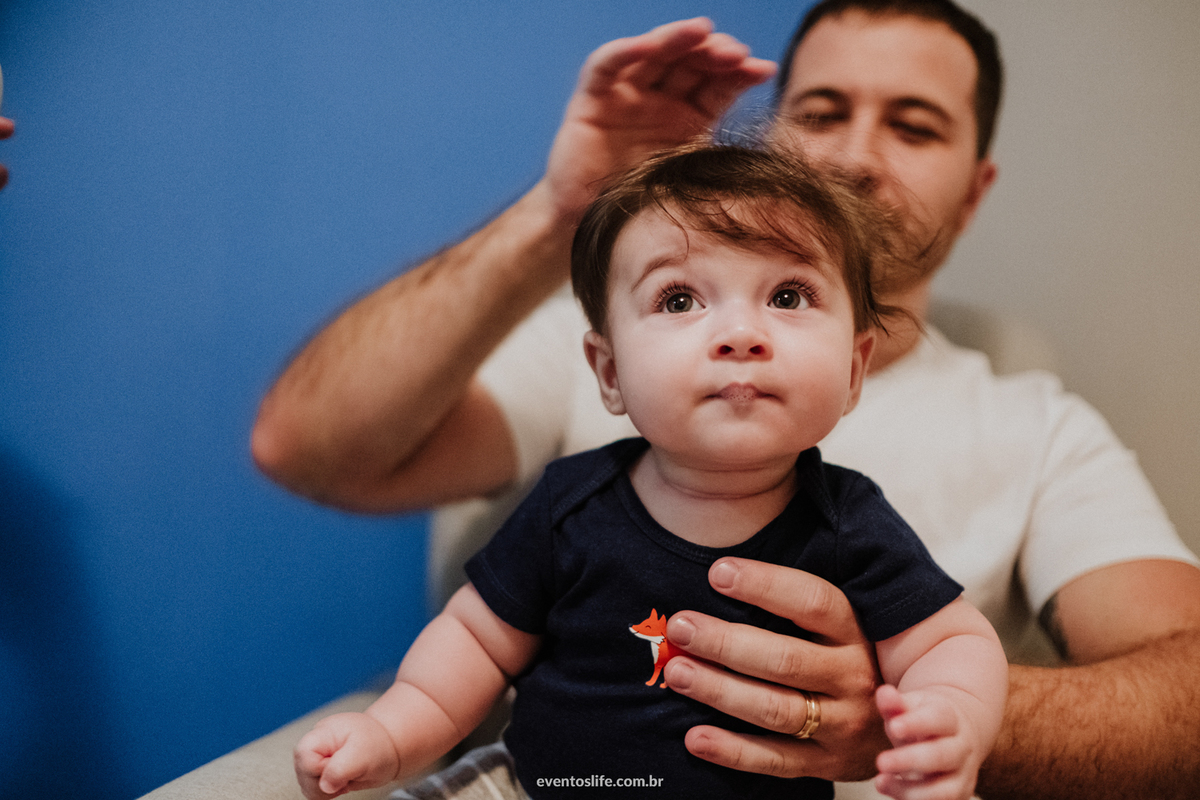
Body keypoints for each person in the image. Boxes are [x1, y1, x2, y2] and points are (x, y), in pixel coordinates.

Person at [254, 2, 1200, 798]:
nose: (858, 158)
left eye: (914, 125)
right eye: (823, 110)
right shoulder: (584, 459)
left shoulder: (990, 449)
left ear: (975, 189)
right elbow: (339, 487)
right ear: (608, 372)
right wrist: (389, 735)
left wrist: (936, 716)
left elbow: (970, 646)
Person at [293, 143, 1008, 800]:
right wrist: (390, 733)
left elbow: (951, 641)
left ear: (854, 371)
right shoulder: (569, 504)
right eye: (679, 299)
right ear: (608, 372)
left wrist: (953, 719)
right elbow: (477, 640)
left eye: (788, 296)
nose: (740, 334)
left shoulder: (849, 523)